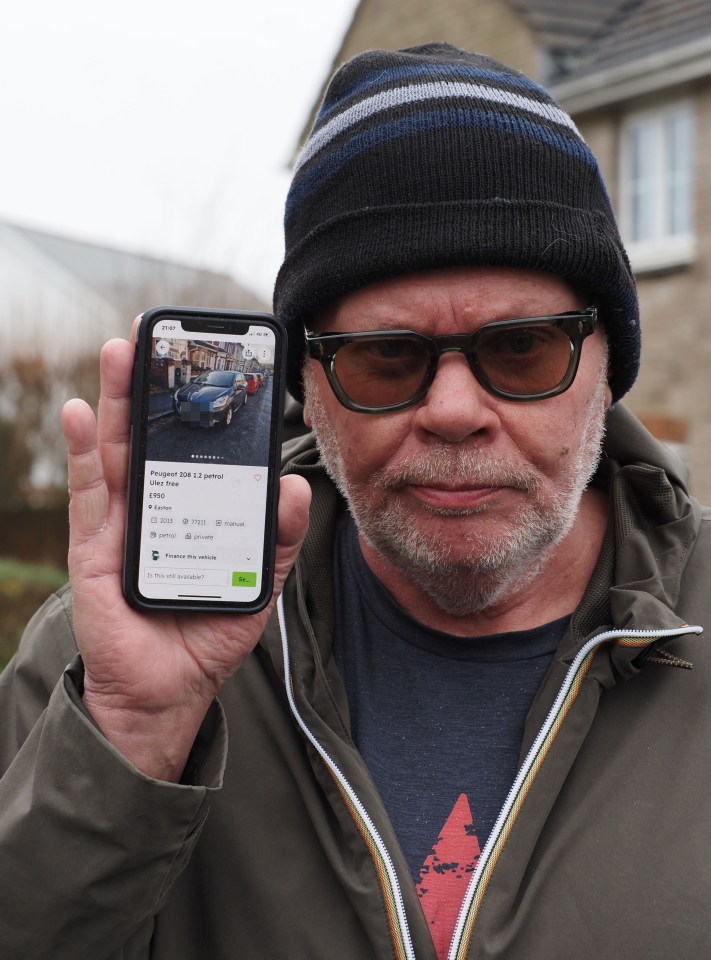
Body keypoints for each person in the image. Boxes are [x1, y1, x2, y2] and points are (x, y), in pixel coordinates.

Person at [1, 42, 709, 960]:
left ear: (606, 365)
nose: (454, 412)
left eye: (523, 350)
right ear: (304, 382)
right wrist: (128, 751)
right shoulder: (100, 667)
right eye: (386, 356)